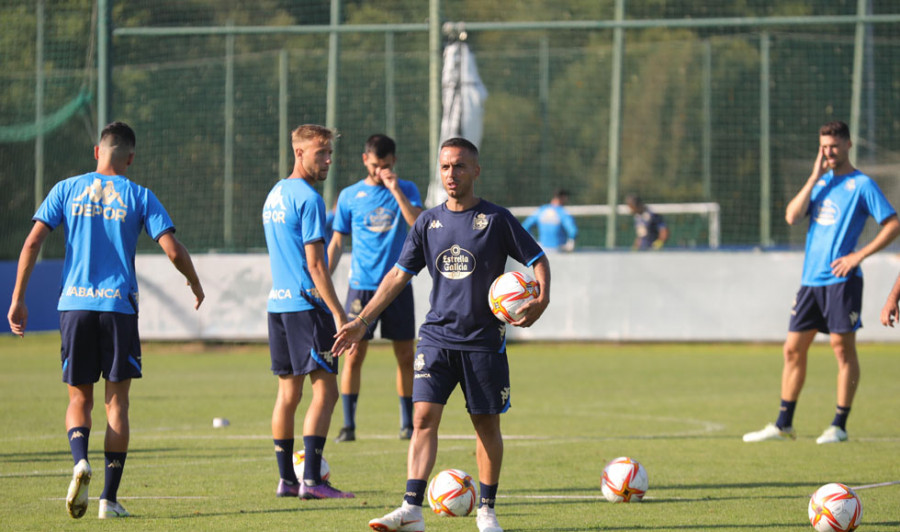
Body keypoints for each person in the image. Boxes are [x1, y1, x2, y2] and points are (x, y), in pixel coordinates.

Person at [333, 138, 551, 532]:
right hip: (436, 338)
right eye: (446, 167)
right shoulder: (427, 222)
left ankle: (486, 511)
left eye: (460, 167)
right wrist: (362, 321)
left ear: (476, 171)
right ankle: (411, 508)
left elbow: (537, 259)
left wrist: (542, 299)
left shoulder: (496, 219)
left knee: (486, 426)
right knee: (422, 418)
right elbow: (399, 275)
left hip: (483, 341)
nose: (452, 174)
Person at [6, 121, 205, 520]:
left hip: (75, 306)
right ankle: (109, 500)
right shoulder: (140, 195)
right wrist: (194, 282)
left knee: (79, 398)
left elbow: (32, 242)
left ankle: (80, 460)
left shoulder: (65, 189)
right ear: (130, 157)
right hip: (118, 308)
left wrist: (17, 299)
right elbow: (172, 249)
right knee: (118, 403)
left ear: (97, 152)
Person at [743, 120, 900, 445]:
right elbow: (791, 216)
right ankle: (783, 423)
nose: (829, 152)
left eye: (834, 146)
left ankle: (839, 425)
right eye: (824, 146)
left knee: (842, 350)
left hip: (843, 282)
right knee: (792, 350)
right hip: (810, 282)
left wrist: (859, 256)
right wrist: (815, 176)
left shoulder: (862, 184)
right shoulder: (819, 183)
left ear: (848, 145)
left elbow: (892, 223)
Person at [262, 124, 354, 499]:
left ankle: (287, 479)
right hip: (306, 305)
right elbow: (316, 266)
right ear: (299, 153)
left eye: (330, 153)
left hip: (278, 305)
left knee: (288, 394)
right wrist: (338, 313)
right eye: (321, 154)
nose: (328, 161)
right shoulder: (309, 198)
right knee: (327, 392)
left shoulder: (273, 195)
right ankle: (312, 482)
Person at [327, 134, 423, 442]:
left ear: (393, 161)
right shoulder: (349, 196)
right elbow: (338, 241)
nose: (378, 170)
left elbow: (418, 224)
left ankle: (407, 423)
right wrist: (323, 278)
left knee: (406, 355)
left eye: (384, 165)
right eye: (373, 164)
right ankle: (348, 425)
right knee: (353, 354)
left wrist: (395, 190)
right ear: (364, 160)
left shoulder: (407, 189)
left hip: (397, 286)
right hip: (361, 287)